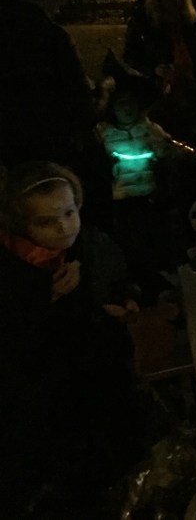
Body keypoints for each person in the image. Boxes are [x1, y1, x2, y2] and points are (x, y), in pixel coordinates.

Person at [0, 161, 146, 517]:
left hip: (105, 382)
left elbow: (118, 278)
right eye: (46, 221)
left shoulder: (89, 245)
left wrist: (124, 298)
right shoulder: (17, 274)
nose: (64, 227)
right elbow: (20, 348)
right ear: (22, 225)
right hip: (59, 412)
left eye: (69, 212)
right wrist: (47, 300)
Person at [0, 0, 113, 230]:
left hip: (9, 161)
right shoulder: (50, 37)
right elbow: (82, 111)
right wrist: (104, 92)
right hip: (55, 159)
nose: (61, 5)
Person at [98, 73, 186, 296]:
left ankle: (164, 278)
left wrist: (162, 149)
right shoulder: (106, 134)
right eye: (121, 104)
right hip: (123, 198)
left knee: (155, 236)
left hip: (150, 195)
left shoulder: (149, 129)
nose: (127, 108)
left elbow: (168, 152)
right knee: (132, 242)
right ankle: (142, 283)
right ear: (113, 108)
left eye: (131, 103)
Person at [123, 0, 196, 146]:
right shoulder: (145, 23)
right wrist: (153, 69)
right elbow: (131, 55)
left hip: (195, 88)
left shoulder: (193, 21)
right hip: (163, 93)